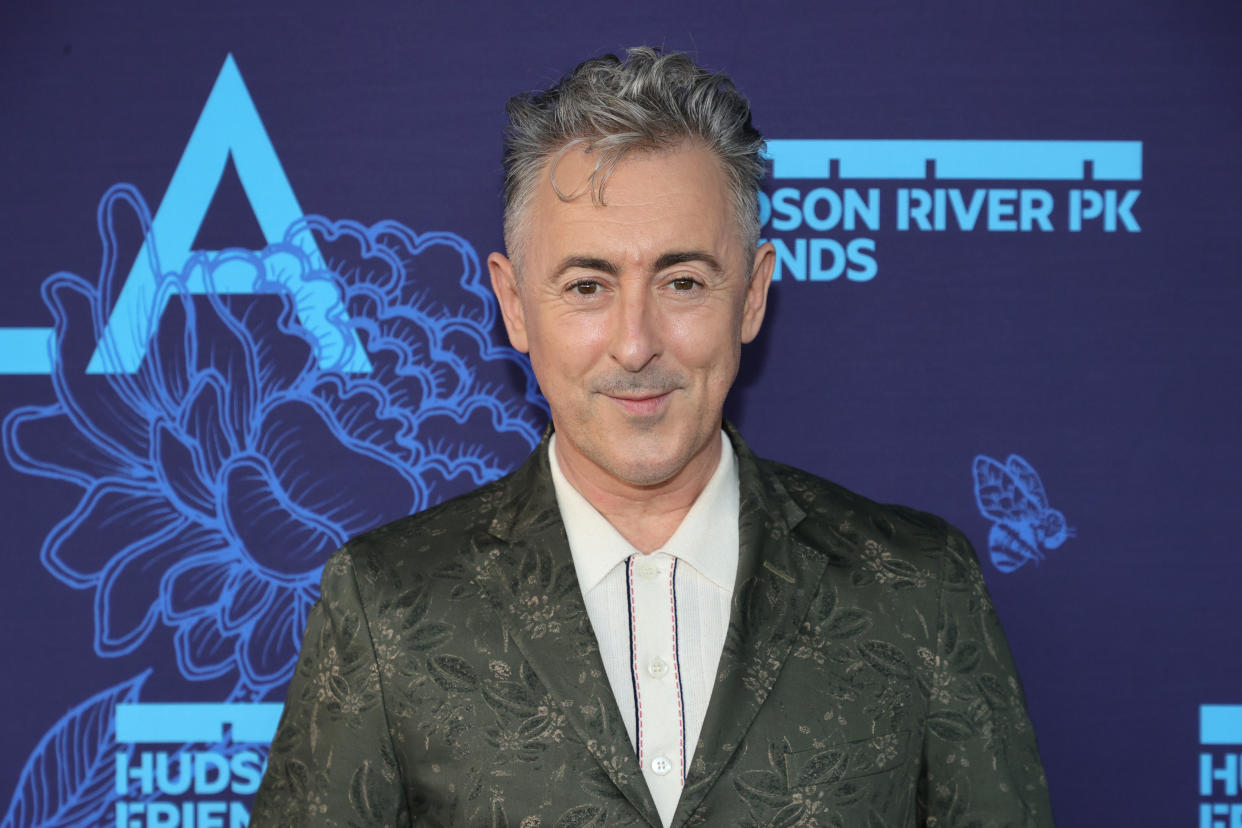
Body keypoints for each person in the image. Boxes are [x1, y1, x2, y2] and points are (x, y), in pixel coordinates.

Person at [251, 47, 1054, 827]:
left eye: (682, 282)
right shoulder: (387, 602)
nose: (635, 344)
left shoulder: (915, 590)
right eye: (588, 285)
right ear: (514, 304)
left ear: (752, 295)